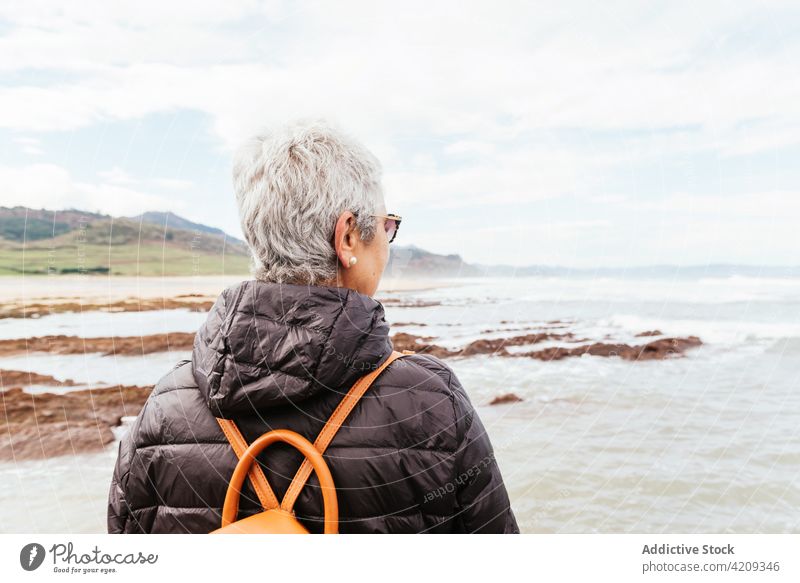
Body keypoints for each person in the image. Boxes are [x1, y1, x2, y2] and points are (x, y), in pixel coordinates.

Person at [107, 118, 519, 534]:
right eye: (385, 226)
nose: (387, 243)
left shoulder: (163, 409)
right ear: (347, 239)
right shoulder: (430, 401)